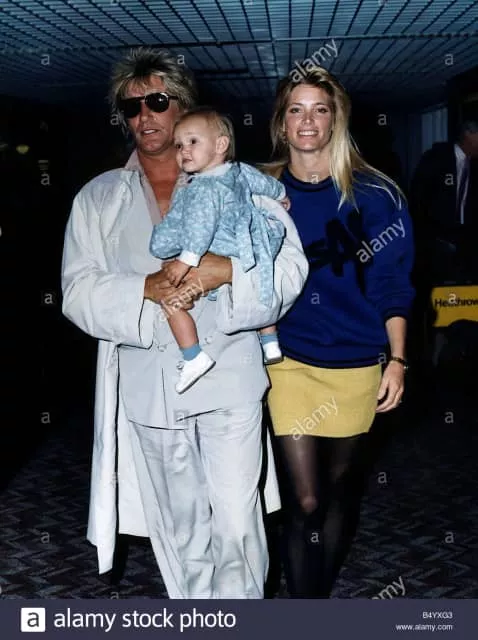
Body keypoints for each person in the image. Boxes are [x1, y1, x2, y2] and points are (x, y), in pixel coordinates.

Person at [60, 47, 309, 599]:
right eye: (131, 107)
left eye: (157, 101)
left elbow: (291, 271)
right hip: (150, 388)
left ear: (183, 105)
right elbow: (75, 292)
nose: (144, 115)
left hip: (230, 375)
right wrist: (142, 289)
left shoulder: (240, 182)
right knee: (181, 527)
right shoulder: (98, 198)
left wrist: (230, 271)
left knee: (237, 521)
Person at [262, 66, 415, 598]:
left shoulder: (375, 194)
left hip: (356, 363)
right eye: (296, 110)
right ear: (282, 122)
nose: (308, 121)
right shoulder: (260, 191)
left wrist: (398, 359)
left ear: (336, 120)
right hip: (288, 361)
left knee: (337, 492)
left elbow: (393, 283)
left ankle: (316, 598)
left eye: (320, 110)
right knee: (304, 499)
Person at [149, 107, 287, 393]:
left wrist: (185, 262)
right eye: (179, 145)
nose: (184, 151)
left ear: (221, 144)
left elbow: (198, 231)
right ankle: (269, 341)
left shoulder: (201, 187)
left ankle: (193, 356)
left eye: (193, 141)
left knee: (171, 302)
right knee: (261, 283)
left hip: (218, 252)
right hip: (251, 245)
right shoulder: (239, 171)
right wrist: (282, 196)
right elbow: (267, 184)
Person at [410, 118, 478, 284]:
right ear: (468, 135)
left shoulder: (473, 165)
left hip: (465, 238)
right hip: (436, 238)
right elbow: (418, 198)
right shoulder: (435, 159)